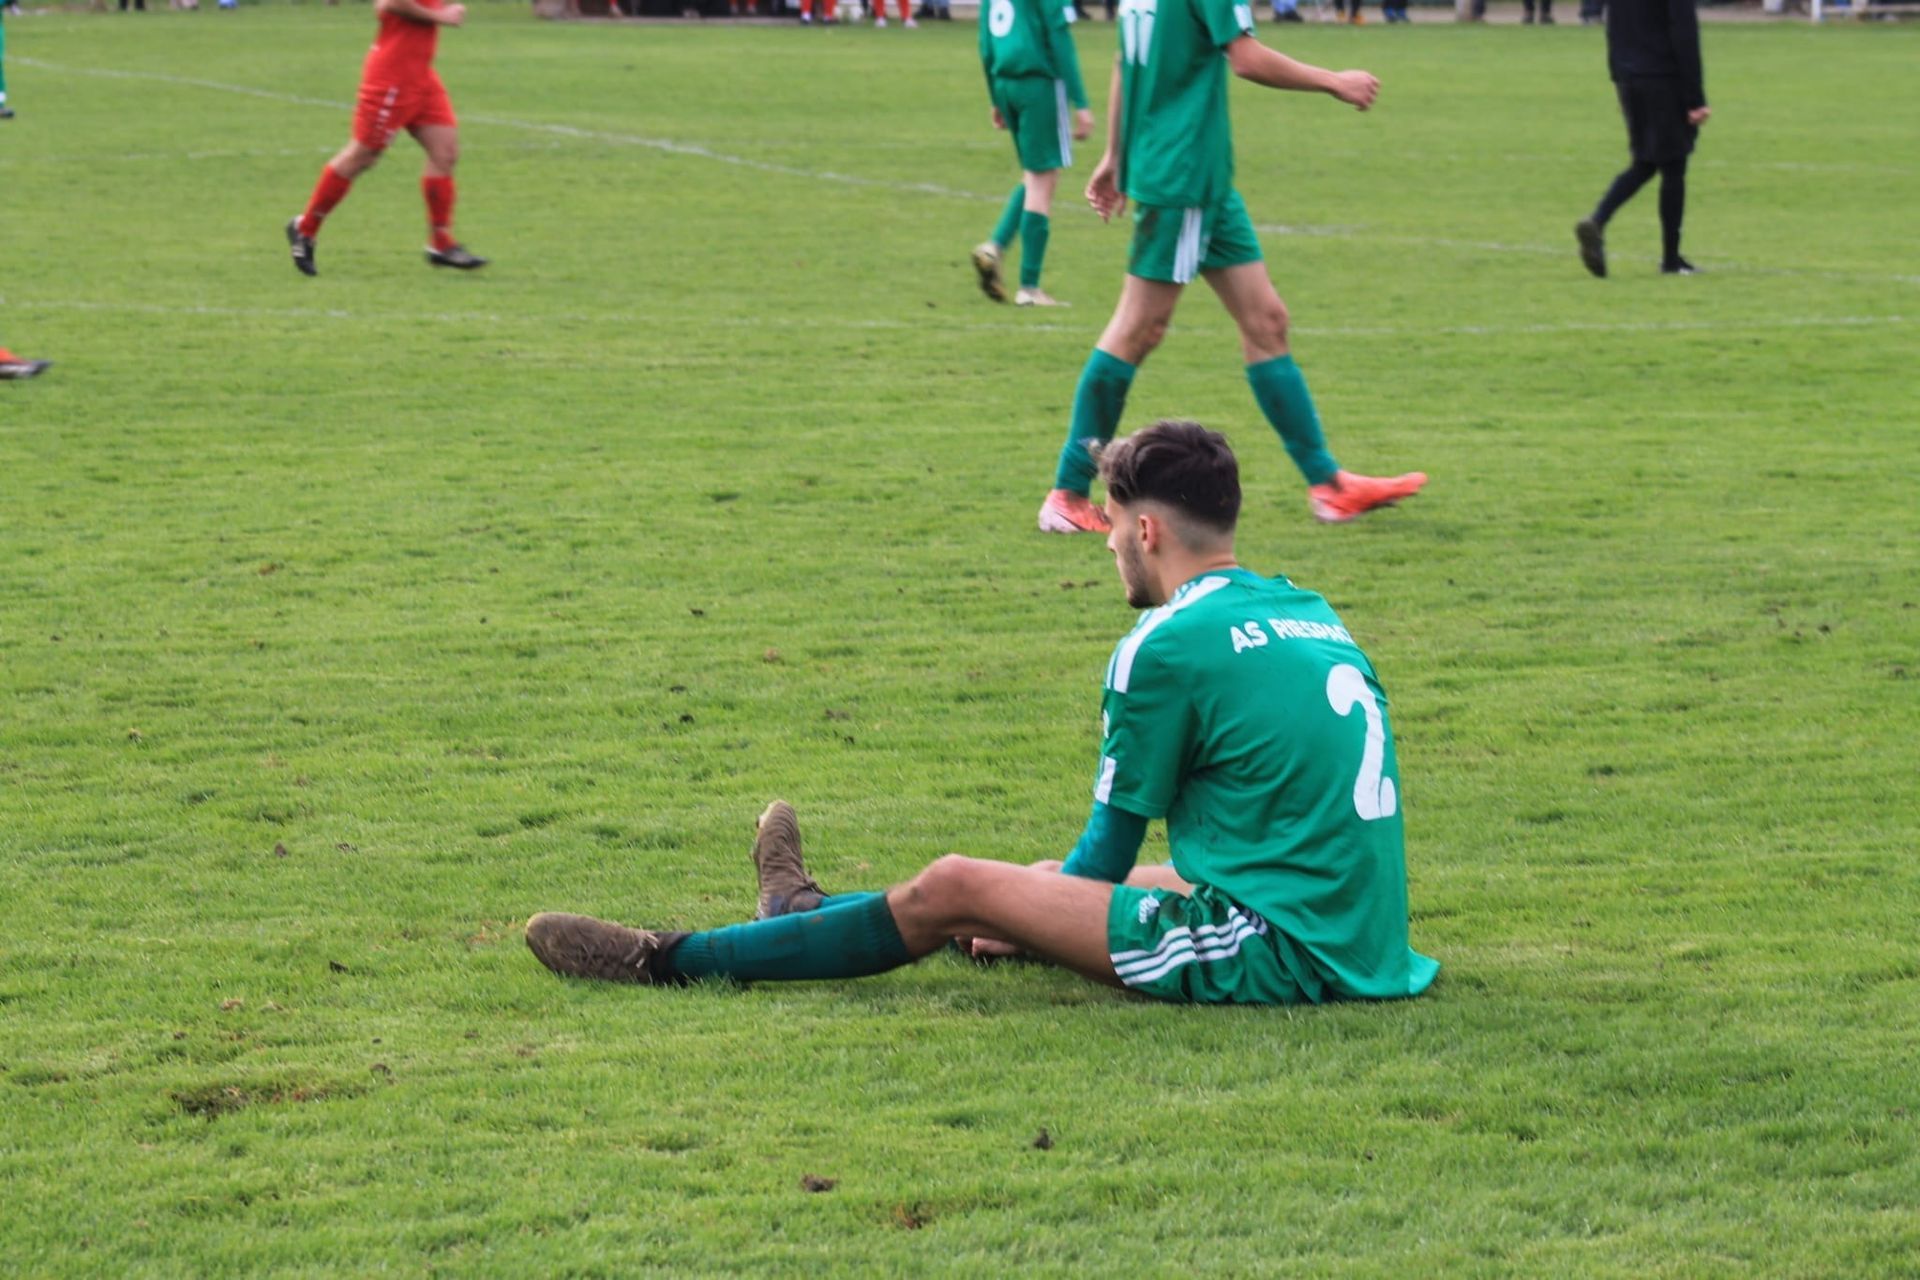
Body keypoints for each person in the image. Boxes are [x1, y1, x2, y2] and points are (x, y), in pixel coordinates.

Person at [526, 421, 1440, 1008]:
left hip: (1281, 949)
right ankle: (793, 910)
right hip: (1353, 925)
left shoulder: (1167, 643)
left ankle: (664, 958)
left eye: (1112, 525)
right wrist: (1040, 898)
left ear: (1148, 530)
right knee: (1029, 881)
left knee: (962, 881)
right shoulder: (1308, 610)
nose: (1110, 544)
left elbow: (1107, 862)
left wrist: (1028, 905)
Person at [1036, 0, 1426, 535]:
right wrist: (1334, 80)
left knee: (1267, 321)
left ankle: (1329, 487)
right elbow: (1244, 57)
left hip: (1203, 180)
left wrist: (1115, 155)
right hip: (1184, 176)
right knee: (1136, 330)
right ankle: (1068, 491)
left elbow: (1128, 63)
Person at [285, 0, 487, 277]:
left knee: (445, 153)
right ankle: (305, 229)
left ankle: (441, 243)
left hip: (422, 77)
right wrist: (440, 15)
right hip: (391, 80)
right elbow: (389, 3)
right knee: (363, 155)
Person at [972, 0, 1095, 308]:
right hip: (1038, 83)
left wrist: (995, 97)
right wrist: (1081, 102)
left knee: (1033, 174)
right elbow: (1059, 37)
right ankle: (1030, 287)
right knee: (1043, 181)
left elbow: (985, 41)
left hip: (1005, 81)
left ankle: (994, 247)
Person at [1574, 0, 1707, 278]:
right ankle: (1670, 260)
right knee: (1673, 165)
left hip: (1629, 76)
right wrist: (1695, 97)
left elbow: (1612, 26)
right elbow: (1684, 32)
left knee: (1646, 161)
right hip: (1662, 76)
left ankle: (1599, 222)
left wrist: (1618, 76)